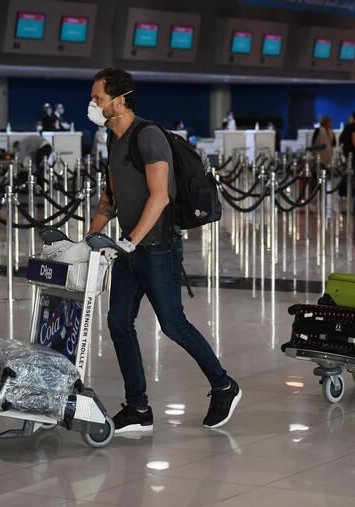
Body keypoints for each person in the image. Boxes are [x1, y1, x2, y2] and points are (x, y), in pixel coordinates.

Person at [85, 68, 241, 432]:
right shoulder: (113, 139)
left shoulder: (148, 136)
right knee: (119, 323)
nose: (92, 104)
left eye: (97, 98)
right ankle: (138, 408)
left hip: (157, 248)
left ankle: (223, 385)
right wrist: (93, 234)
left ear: (119, 100)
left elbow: (161, 196)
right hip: (128, 248)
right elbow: (112, 194)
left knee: (173, 325)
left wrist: (131, 240)